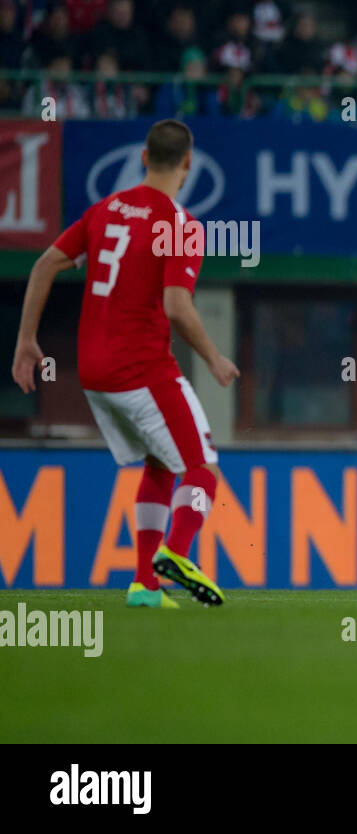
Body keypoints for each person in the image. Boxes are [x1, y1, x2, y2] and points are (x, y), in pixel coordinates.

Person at [10, 119, 239, 609]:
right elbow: (178, 306)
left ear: (142, 158)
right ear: (187, 164)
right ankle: (175, 553)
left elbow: (43, 263)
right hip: (141, 369)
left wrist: (26, 339)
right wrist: (215, 358)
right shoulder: (179, 225)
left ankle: (144, 585)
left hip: (93, 371)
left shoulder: (103, 211)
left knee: (159, 464)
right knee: (202, 470)